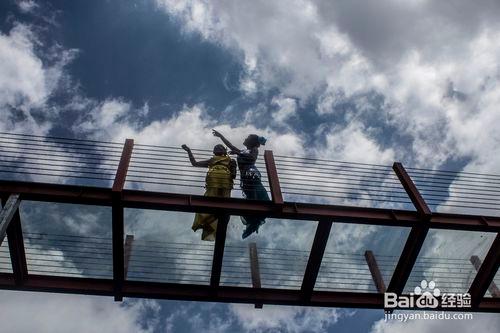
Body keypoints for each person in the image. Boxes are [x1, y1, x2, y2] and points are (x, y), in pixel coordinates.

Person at [212, 129, 270, 239]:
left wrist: (237, 152)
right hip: (245, 178)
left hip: (251, 174)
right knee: (252, 199)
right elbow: (231, 146)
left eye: (247, 138)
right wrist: (221, 136)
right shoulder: (244, 150)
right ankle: (253, 221)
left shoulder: (254, 149)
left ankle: (254, 221)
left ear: (251, 142)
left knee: (255, 197)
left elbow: (252, 158)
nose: (244, 139)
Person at [181, 143, 236, 241]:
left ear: (224, 151)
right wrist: (189, 151)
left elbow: (234, 175)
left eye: (220, 147)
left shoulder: (230, 160)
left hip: (225, 181)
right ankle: (212, 221)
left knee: (225, 202)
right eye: (216, 147)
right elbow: (195, 163)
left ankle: (222, 223)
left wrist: (233, 166)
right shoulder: (212, 160)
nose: (217, 148)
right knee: (212, 201)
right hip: (213, 181)